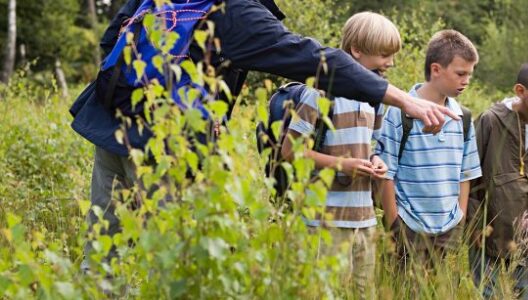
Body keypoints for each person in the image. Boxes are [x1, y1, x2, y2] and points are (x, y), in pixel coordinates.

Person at [72, 0, 456, 273]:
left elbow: (112, 41)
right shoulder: (237, 12)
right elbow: (318, 61)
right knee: (174, 261)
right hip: (170, 148)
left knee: (104, 253)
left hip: (111, 123)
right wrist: (405, 99)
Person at [278, 12, 402, 299]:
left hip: (365, 220)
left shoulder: (377, 99)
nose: (390, 62)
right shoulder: (320, 93)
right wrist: (342, 164)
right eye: (384, 54)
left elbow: (373, 146)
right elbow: (289, 151)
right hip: (325, 221)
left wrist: (376, 161)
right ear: (357, 51)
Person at [378, 29, 481, 270]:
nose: (466, 80)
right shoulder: (399, 112)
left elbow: (465, 174)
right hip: (407, 226)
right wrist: (394, 223)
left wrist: (460, 218)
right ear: (436, 69)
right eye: (460, 73)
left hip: (448, 229)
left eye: (470, 74)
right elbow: (385, 173)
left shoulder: (463, 117)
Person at [468, 60, 528, 300]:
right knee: (486, 293)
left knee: (526, 295)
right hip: (486, 230)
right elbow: (470, 173)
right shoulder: (491, 120)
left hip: (526, 233)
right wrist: (474, 224)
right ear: (521, 91)